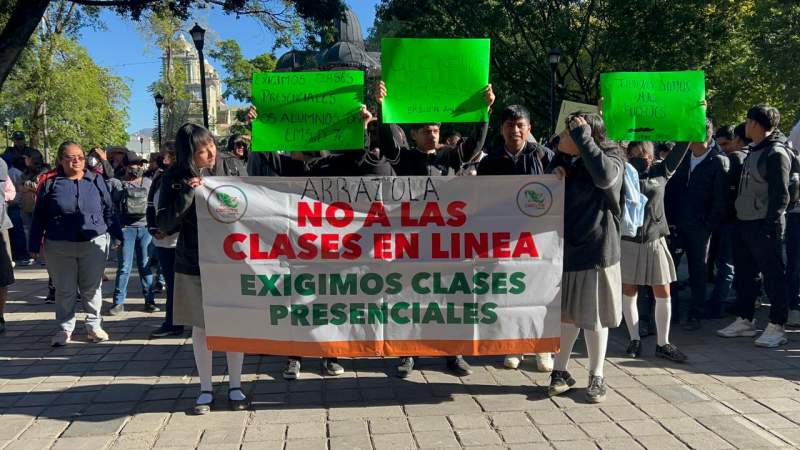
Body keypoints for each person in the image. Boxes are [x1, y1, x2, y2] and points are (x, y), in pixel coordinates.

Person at [246, 103, 393, 380]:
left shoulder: (336, 165)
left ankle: (330, 353)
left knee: (327, 302)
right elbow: (269, 158)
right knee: (296, 300)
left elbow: (362, 160)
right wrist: (258, 127)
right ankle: (295, 356)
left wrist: (360, 127)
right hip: (299, 251)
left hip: (331, 250)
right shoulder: (291, 169)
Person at [375, 80, 495, 378]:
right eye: (426, 130)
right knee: (407, 297)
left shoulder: (450, 157)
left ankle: (452, 353)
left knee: (449, 298)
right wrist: (381, 105)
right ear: (414, 134)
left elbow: (475, 145)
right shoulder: (404, 159)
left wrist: (484, 111)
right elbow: (388, 142)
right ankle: (407, 353)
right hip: (411, 242)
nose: (433, 134)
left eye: (437, 130)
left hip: (445, 242)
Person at [157, 123, 249, 414]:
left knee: (234, 322)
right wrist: (187, 195)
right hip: (194, 260)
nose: (210, 153)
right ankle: (205, 388)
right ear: (188, 155)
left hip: (233, 258)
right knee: (202, 325)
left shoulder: (232, 166)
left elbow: (253, 202)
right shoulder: (173, 178)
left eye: (210, 144)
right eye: (201, 151)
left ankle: (236, 385)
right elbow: (164, 224)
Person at [546, 112, 624, 403]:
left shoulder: (612, 159)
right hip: (567, 250)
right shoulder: (564, 161)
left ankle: (597, 375)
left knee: (594, 317)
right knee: (566, 316)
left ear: (585, 139)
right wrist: (554, 174)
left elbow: (605, 178)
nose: (561, 139)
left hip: (596, 251)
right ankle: (560, 371)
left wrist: (584, 137)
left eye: (569, 134)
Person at [475, 104, 555, 372]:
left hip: (538, 239)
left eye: (520, 125)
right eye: (510, 125)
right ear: (502, 129)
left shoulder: (544, 157)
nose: (515, 130)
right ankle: (512, 345)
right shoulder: (490, 162)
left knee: (540, 293)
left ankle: (542, 348)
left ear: (529, 128)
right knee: (509, 293)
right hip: (504, 240)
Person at [28, 141, 122, 346]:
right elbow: (39, 216)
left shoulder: (96, 179)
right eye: (71, 157)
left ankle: (94, 326)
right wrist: (34, 245)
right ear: (61, 160)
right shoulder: (50, 183)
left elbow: (109, 209)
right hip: (59, 245)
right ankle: (64, 328)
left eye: (80, 156)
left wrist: (116, 234)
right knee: (65, 289)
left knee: (92, 288)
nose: (77, 161)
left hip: (93, 242)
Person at [718, 106, 791, 347]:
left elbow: (781, 195)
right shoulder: (755, 150)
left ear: (757, 124)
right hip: (745, 221)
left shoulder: (776, 153)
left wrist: (771, 224)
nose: (745, 125)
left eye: (748, 121)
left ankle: (777, 325)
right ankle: (745, 319)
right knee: (745, 275)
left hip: (764, 224)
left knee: (773, 276)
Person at [620, 140, 691, 362]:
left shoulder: (662, 171)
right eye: (634, 152)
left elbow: (680, 149)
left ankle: (663, 343)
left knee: (663, 291)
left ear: (652, 154)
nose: (641, 156)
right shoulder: (622, 171)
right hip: (628, 240)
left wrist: (694, 118)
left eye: (644, 152)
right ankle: (634, 339)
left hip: (655, 239)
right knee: (629, 291)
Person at [665, 118, 728, 330]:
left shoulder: (718, 161)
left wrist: (707, 226)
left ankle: (696, 314)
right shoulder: (682, 158)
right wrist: (670, 220)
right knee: (670, 269)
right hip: (678, 224)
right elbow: (672, 191)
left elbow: (720, 200)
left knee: (698, 270)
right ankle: (670, 312)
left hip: (700, 227)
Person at [707, 125, 751, 317]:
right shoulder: (750, 156)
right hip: (742, 218)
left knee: (726, 263)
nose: (723, 148)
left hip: (731, 219)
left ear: (737, 140)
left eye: (725, 143)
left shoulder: (734, 159)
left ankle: (717, 305)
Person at [108, 151, 156, 315]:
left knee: (145, 266)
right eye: (133, 164)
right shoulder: (117, 184)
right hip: (125, 230)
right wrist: (115, 234)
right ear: (126, 166)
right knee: (124, 267)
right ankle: (118, 302)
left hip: (145, 229)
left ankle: (149, 301)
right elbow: (111, 209)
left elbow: (154, 206)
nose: (137, 167)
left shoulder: (148, 182)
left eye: (139, 164)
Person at [148, 145, 183, 338]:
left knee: (178, 285)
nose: (161, 160)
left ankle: (174, 323)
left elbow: (183, 209)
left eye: (164, 156)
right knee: (171, 283)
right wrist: (153, 228)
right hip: (161, 241)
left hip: (177, 241)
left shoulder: (181, 178)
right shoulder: (159, 177)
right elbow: (150, 205)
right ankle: (172, 322)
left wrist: (169, 228)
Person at [0, 158, 15, 334]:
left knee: (2, 277)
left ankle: (0, 316)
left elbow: (10, 192)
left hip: (0, 227)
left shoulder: (1, 164)